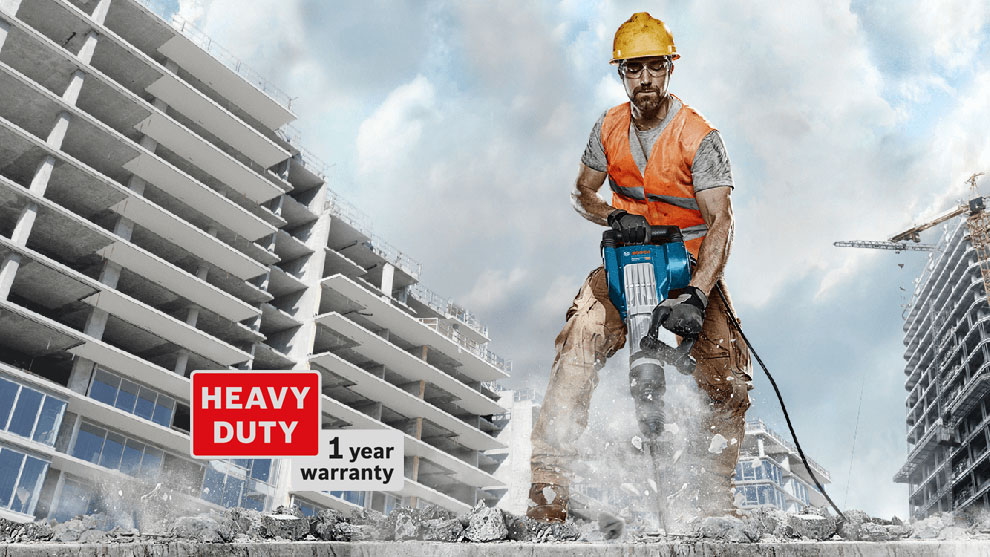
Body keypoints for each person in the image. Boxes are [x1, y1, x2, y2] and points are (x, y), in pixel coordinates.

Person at [527, 12, 753, 523]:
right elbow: (581, 192)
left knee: (728, 378)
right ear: (621, 73)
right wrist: (615, 216)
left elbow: (721, 222)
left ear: (669, 69)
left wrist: (697, 293)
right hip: (625, 268)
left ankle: (715, 501)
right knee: (578, 341)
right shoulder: (607, 128)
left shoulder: (700, 137)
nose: (644, 79)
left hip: (685, 272)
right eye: (633, 69)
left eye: (654, 67)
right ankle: (548, 495)